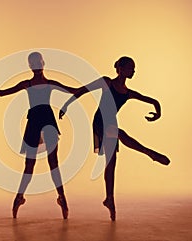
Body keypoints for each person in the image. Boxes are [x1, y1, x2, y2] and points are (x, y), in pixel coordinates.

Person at [59, 56, 170, 221]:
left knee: (111, 163)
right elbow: (82, 90)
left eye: (134, 68)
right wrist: (66, 105)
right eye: (130, 67)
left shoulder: (128, 93)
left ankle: (109, 199)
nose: (133, 71)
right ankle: (150, 153)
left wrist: (158, 112)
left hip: (111, 122)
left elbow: (153, 101)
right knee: (120, 133)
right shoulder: (107, 82)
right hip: (100, 122)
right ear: (120, 68)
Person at [0, 52, 78, 219]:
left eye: (38, 61)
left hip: (48, 122)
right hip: (33, 123)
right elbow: (2, 93)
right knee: (29, 165)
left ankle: (62, 198)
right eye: (32, 63)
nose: (36, 65)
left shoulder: (49, 83)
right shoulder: (27, 84)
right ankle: (19, 197)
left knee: (53, 163)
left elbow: (74, 91)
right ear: (30, 66)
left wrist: (69, 104)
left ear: (43, 62)